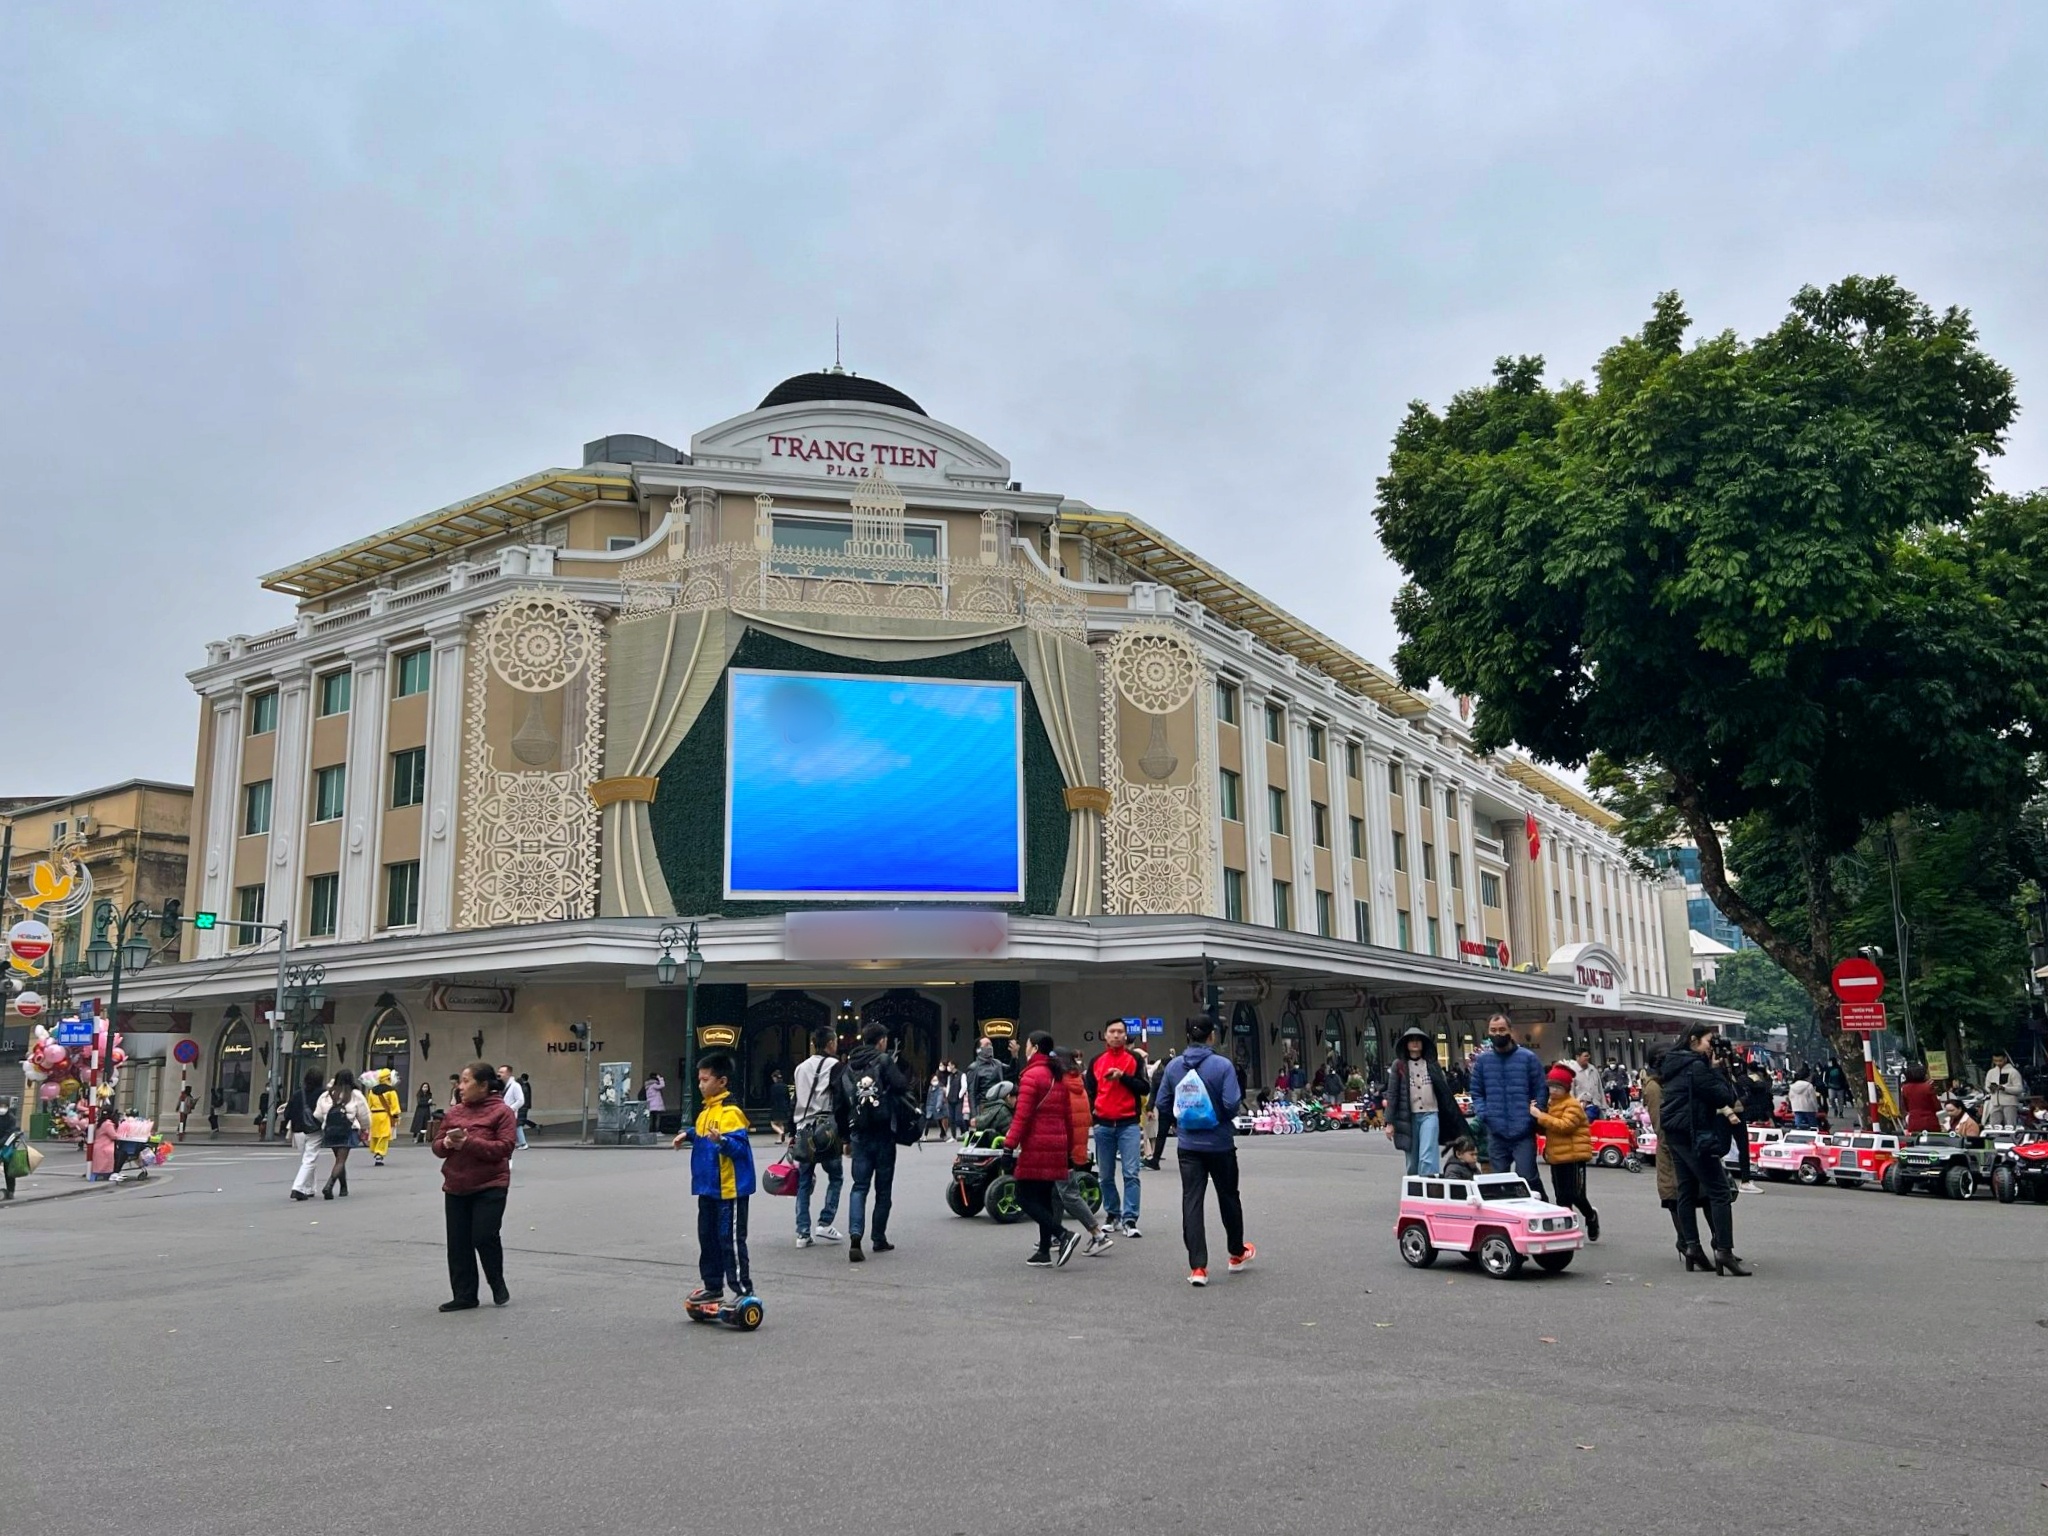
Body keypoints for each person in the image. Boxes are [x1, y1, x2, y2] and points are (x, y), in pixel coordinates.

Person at [1154, 1016, 1252, 1286]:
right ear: (1212, 1036)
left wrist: (1181, 1121)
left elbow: (1162, 1102)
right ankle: (1236, 1253)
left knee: (1192, 1201)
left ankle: (1198, 1267)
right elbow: (1232, 1103)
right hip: (1220, 1142)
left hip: (1188, 1145)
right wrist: (1217, 1116)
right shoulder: (1222, 1065)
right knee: (1229, 1196)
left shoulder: (1174, 1067)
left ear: (1188, 1037)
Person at [1657, 1024, 1748, 1276]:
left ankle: (1692, 1247)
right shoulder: (1696, 1066)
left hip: (1675, 1131)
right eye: (1710, 1041)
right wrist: (1719, 1070)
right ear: (1694, 1040)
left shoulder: (1674, 1063)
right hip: (1694, 1132)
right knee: (1719, 1191)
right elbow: (1724, 1097)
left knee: (1686, 1189)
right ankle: (1724, 1251)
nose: (1712, 1046)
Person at [673, 1051, 755, 1313]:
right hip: (707, 1188)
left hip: (729, 1190)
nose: (700, 1085)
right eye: (699, 1080)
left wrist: (722, 1141)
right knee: (707, 1238)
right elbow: (700, 1134)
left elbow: (741, 1148)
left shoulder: (731, 1113)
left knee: (729, 1240)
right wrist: (686, 1134)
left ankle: (743, 1290)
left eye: (705, 1080)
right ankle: (713, 1286)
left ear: (721, 1081)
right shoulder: (705, 1113)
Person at [433, 1060, 517, 1311]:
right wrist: (446, 1144)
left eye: (466, 1081)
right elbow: (437, 1146)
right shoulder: (454, 1112)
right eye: (461, 1081)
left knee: (484, 1235)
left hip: (490, 1184)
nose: (460, 1086)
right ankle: (464, 1294)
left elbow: (504, 1148)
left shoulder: (502, 1112)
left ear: (483, 1085)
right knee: (458, 1243)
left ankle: (497, 1281)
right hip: (457, 1184)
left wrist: (467, 1143)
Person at [1003, 1031, 1081, 1269]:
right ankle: (1044, 1251)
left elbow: (1022, 1115)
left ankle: (1063, 1234)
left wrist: (1009, 1146)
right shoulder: (1056, 1075)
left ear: (1034, 1048)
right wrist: (1070, 1147)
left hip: (1037, 1143)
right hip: (1056, 1142)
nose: (1026, 1048)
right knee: (1044, 1197)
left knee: (1023, 1197)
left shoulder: (1031, 1076)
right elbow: (1068, 1116)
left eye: (1027, 1045)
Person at [843, 1024, 907, 1263]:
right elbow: (901, 1085)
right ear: (880, 1041)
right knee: (883, 1188)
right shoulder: (883, 1060)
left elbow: (842, 1103)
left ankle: (855, 1236)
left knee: (859, 1187)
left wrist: (845, 1138)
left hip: (859, 1134)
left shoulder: (849, 1064)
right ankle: (878, 1237)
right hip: (883, 1132)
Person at [1469, 1015, 1547, 1199]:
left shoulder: (1528, 1058)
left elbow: (1540, 1089)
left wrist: (1534, 1116)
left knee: (1528, 1178)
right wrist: (1484, 1113)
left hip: (1523, 1131)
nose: (1498, 1034)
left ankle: (1544, 1210)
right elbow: (1477, 1092)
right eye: (1493, 1030)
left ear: (1510, 1031)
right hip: (1496, 1131)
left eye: (1502, 1030)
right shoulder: (1482, 1061)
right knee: (1499, 1182)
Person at [1086, 1019, 1146, 1238]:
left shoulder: (1134, 1059)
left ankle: (1130, 1218)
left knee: (1131, 1173)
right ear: (1105, 1035)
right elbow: (1090, 1091)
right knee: (1105, 1175)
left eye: (1121, 1031)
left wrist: (1123, 1078)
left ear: (1126, 1035)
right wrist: (1094, 1115)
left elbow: (1144, 1087)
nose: (1116, 1035)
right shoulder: (1096, 1061)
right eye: (1112, 1031)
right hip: (1103, 1124)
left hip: (1128, 1123)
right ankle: (1113, 1214)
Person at [789, 1025, 847, 1247]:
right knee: (836, 1176)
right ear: (831, 1043)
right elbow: (841, 1099)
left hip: (803, 1128)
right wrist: (845, 1134)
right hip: (826, 1130)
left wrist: (791, 1131)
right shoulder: (836, 1066)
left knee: (803, 1181)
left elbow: (794, 1101)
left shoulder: (800, 1068)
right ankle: (825, 1222)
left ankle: (802, 1233)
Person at [1384, 1026, 1467, 1176]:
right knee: (1412, 1159)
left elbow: (1443, 1091)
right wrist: (1389, 1122)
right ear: (1406, 1044)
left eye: (1418, 1040)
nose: (1415, 1043)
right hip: (1408, 1117)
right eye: (1411, 1040)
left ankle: (1431, 1188)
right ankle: (1415, 1190)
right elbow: (1393, 1094)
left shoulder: (1432, 1064)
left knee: (1427, 1156)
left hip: (1430, 1113)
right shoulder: (1399, 1065)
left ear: (1424, 1044)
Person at [1531, 1064, 1599, 1241]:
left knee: (1576, 1194)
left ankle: (1590, 1216)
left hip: (1574, 1157)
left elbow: (1565, 1126)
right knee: (1561, 1196)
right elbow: (1548, 1128)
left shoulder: (1572, 1105)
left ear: (1566, 1088)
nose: (1553, 1091)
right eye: (1551, 1087)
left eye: (1558, 1087)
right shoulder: (1550, 1104)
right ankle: (1567, 1230)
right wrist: (1538, 1120)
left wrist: (1541, 1116)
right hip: (1557, 1157)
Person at [1058, 1050, 1114, 1256]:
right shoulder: (1077, 1083)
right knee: (1057, 1193)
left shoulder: (1061, 1086)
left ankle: (1098, 1234)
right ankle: (1055, 1235)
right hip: (1075, 1145)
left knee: (1068, 1193)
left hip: (1063, 1146)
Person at [314, 1069, 369, 1200]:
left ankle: (344, 1187)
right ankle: (329, 1185)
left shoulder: (328, 1094)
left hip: (331, 1130)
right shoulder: (355, 1094)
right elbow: (364, 1115)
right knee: (341, 1160)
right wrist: (365, 1128)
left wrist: (327, 1121)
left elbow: (317, 1114)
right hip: (347, 1129)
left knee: (338, 1159)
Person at [283, 1068, 327, 1201]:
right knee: (310, 1160)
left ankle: (309, 1188)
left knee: (306, 1160)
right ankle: (298, 1187)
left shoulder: (297, 1094)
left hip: (298, 1130)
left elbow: (287, 1114)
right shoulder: (322, 1094)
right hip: (315, 1130)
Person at [366, 1072, 402, 1166]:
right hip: (385, 1115)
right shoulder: (391, 1091)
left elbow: (369, 1105)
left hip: (374, 1115)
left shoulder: (372, 1091)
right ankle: (379, 1153)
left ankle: (375, 1150)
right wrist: (396, 1116)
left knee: (375, 1135)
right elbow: (394, 1105)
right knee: (384, 1135)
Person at [1983, 1051, 2025, 1129]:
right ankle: (1994, 1139)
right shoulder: (1991, 1072)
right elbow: (1986, 1086)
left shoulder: (2013, 1072)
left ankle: (2011, 1140)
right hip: (1995, 1103)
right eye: (1995, 1061)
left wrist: (2004, 1088)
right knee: (1994, 1125)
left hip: (2009, 1103)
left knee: (2010, 1126)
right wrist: (1991, 1089)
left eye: (2000, 1060)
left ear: (2005, 1059)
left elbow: (2019, 1089)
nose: (1998, 1063)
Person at [962, 1038, 1006, 1109]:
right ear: (979, 1050)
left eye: (990, 1044)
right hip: (984, 1106)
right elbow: (972, 1094)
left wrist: (1014, 1056)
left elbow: (1011, 1072)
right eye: (986, 1045)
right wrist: (974, 1116)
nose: (989, 1047)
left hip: (999, 1105)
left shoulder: (997, 1063)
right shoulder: (974, 1068)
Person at [1900, 1061, 1941, 1133]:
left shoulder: (1905, 1088)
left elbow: (1905, 1107)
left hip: (1914, 1121)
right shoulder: (1927, 1087)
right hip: (1929, 1121)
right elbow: (1937, 1106)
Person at [497, 1066, 527, 1153]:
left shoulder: (515, 1086)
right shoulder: (501, 1086)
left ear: (508, 1074)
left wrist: (510, 1109)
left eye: (502, 1072)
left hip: (509, 1115)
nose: (499, 1074)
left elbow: (521, 1100)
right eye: (499, 1072)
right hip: (501, 1114)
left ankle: (520, 1145)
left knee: (507, 1135)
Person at [1570, 1050, 1604, 1120]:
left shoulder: (1593, 1069)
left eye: (1588, 1056)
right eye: (1585, 1056)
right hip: (1581, 1108)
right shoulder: (1572, 1071)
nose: (1588, 1058)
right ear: (1577, 1057)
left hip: (1596, 1105)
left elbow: (1600, 1088)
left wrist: (1604, 1105)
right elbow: (1571, 1092)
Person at [0, 1097, 22, 1200]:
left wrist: (2, 1142)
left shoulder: (11, 1118)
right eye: (1, 1106)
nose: (2, 1108)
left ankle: (11, 1191)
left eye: (4, 1106)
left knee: (9, 1170)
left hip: (7, 1147)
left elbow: (10, 1132)